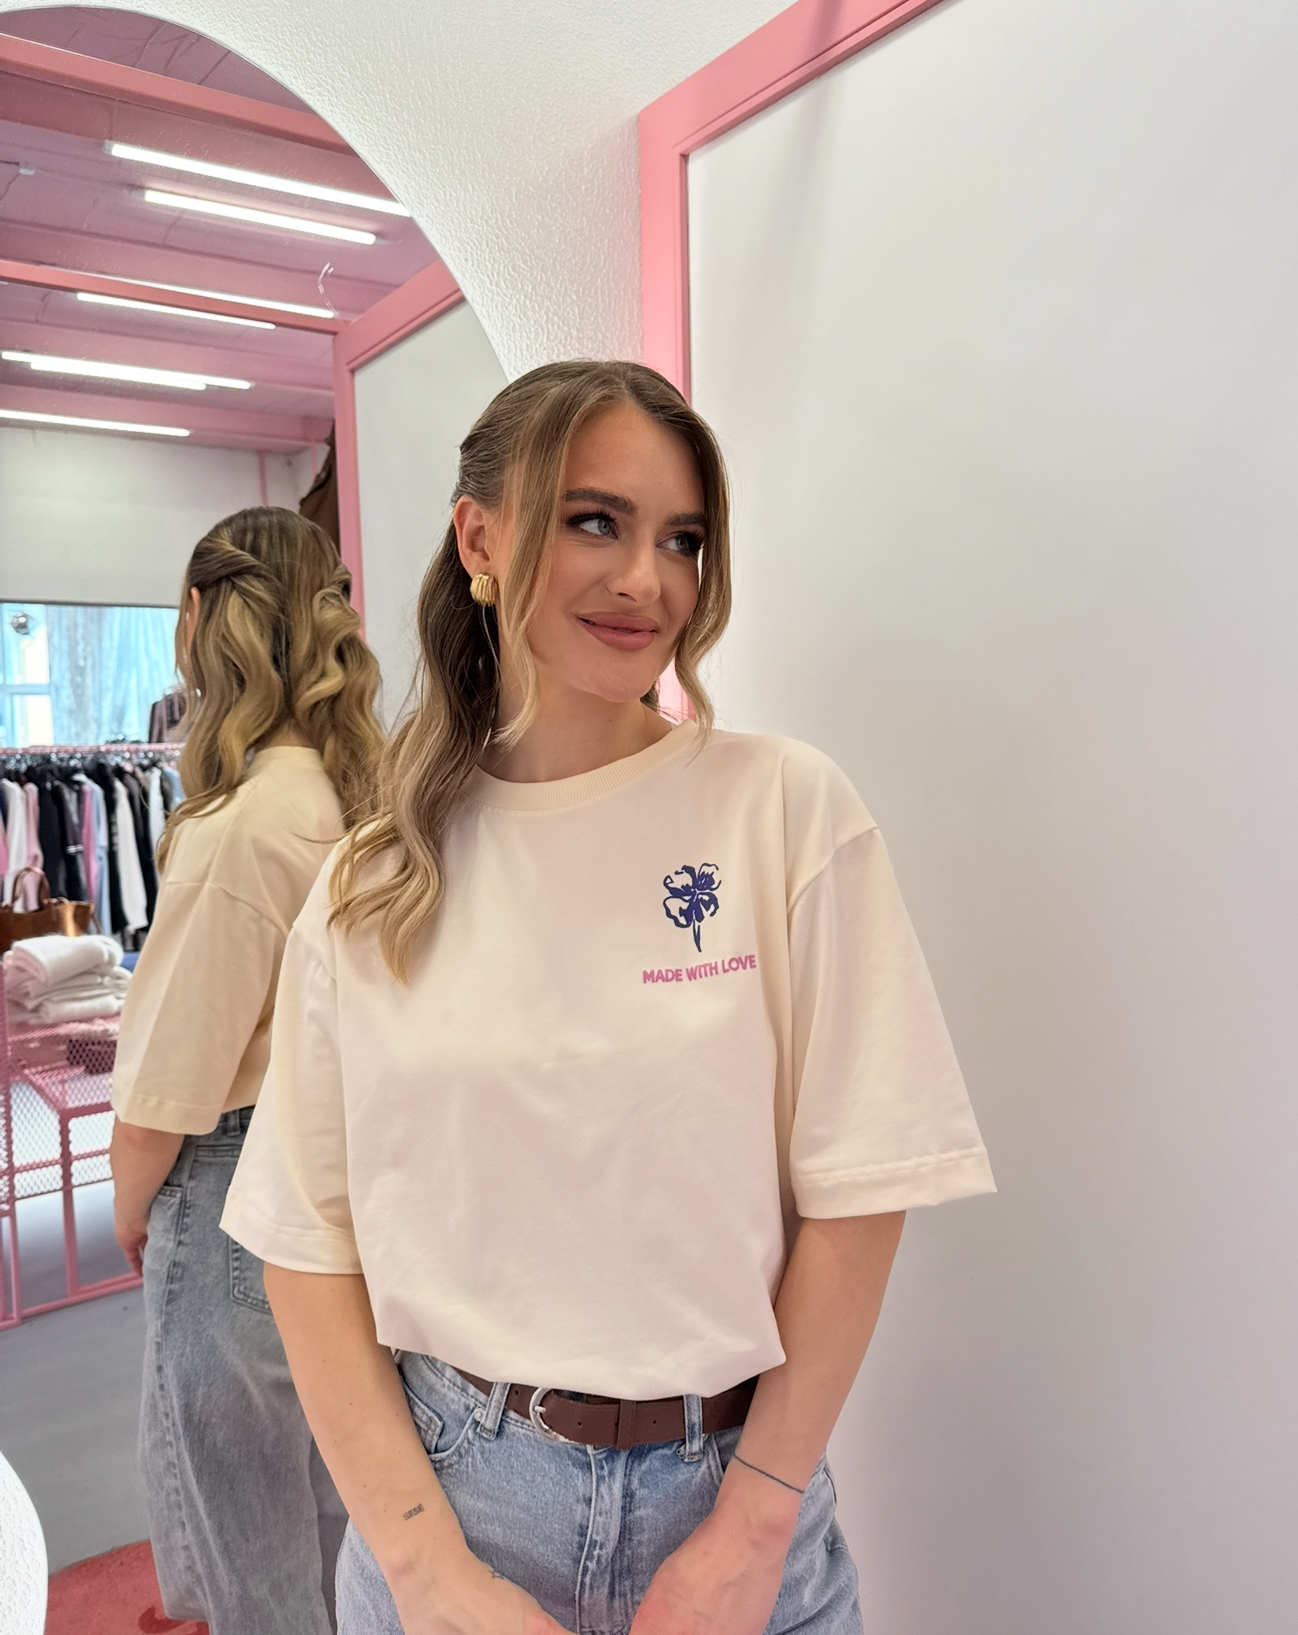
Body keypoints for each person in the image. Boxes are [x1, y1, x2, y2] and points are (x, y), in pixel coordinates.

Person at [222, 363, 996, 1635]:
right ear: (479, 538)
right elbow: (307, 1247)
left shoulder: (779, 810)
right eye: (596, 521)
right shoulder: (377, 877)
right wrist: (424, 1570)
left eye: (680, 539)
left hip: (736, 1491)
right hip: (454, 1495)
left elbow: (860, 1192)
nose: (647, 579)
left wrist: (752, 1526)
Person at [109, 508, 384, 1635]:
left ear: (203, 619)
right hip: (344, 1183)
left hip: (230, 1191)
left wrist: (135, 1208)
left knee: (246, 1538)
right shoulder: (365, 802)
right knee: (338, 1511)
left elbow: (165, 1091)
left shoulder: (238, 828)